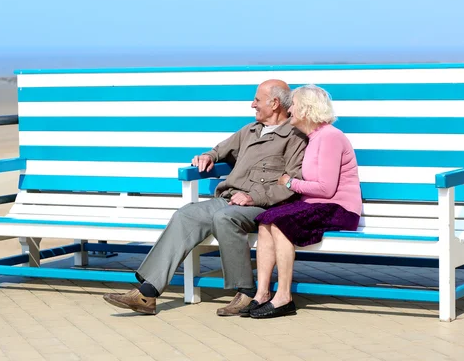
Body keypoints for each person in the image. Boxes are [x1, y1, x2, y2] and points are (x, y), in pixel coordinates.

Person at [103, 79, 307, 316]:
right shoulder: (249, 131)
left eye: (257, 100)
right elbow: (219, 150)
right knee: (186, 214)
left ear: (274, 103)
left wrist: (253, 197)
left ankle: (247, 291)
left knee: (224, 218)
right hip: (229, 199)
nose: (252, 105)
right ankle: (147, 294)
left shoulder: (295, 137)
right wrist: (208, 157)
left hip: (262, 206)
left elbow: (292, 184)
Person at [240, 84, 362, 319]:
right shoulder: (314, 137)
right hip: (316, 204)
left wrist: (289, 183)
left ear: (306, 109)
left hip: (339, 208)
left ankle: (284, 297)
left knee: (279, 223)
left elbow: (326, 190)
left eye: (293, 105)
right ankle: (262, 294)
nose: (290, 109)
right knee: (265, 219)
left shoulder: (330, 137)